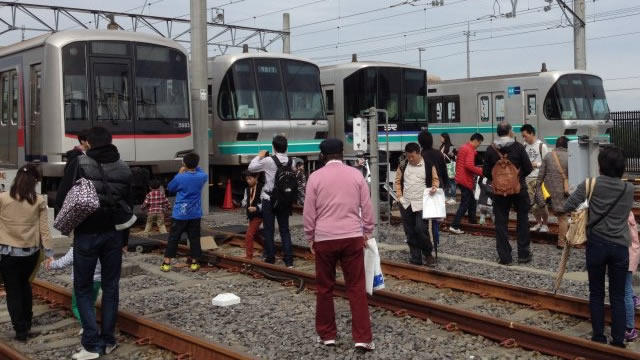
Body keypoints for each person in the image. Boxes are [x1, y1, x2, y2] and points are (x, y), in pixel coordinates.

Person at [56, 126, 133, 359]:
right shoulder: (124, 167)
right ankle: (108, 340)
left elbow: (62, 198)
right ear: (110, 141)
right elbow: (128, 208)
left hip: (87, 234)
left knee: (82, 287)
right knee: (110, 288)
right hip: (113, 234)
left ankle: (91, 343)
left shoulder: (79, 163)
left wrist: (68, 225)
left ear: (88, 143)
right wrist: (124, 240)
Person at [303, 138, 375, 352]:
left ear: (323, 156)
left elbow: (309, 212)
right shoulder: (356, 175)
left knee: (325, 288)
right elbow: (367, 207)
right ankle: (362, 338)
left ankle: (327, 335)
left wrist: (310, 236)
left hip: (324, 238)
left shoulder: (315, 177)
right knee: (356, 287)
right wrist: (367, 231)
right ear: (342, 154)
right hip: (352, 236)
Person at [563, 145, 634, 348]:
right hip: (620, 246)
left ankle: (598, 336)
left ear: (600, 165)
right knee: (618, 295)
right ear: (622, 168)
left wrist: (586, 209)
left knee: (596, 292)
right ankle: (619, 340)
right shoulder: (628, 189)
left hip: (596, 245)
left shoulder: (590, 184)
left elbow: (567, 206)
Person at [0, 164, 53, 342]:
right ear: (34, 181)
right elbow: (44, 229)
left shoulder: (3, 198)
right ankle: (28, 321)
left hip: (7, 254)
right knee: (25, 286)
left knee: (13, 291)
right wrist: (49, 251)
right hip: (30, 253)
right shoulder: (38, 201)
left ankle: (20, 330)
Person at [483, 122, 533, 265]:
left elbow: (486, 172)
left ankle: (505, 256)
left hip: (499, 192)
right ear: (510, 131)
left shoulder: (491, 149)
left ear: (498, 132)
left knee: (501, 222)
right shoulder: (518, 147)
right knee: (522, 220)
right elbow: (528, 168)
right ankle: (523, 254)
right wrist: (517, 176)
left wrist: (499, 180)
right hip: (518, 190)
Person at [248, 135, 295, 267]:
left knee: (269, 229)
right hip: (285, 199)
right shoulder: (292, 161)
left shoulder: (268, 160)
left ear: (273, 147)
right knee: (284, 229)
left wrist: (260, 155)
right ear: (286, 147)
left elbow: (251, 168)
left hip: (269, 199)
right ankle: (289, 260)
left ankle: (270, 258)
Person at [160, 152, 208, 273]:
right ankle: (194, 263)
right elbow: (199, 170)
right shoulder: (202, 176)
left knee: (174, 238)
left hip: (180, 213)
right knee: (194, 238)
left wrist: (180, 172)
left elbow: (170, 188)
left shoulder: (180, 177)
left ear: (184, 164)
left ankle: (166, 263)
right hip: (195, 213)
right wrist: (193, 166)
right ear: (197, 164)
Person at [394, 142, 439, 266]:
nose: (410, 159)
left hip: (422, 203)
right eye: (408, 156)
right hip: (406, 203)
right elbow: (397, 181)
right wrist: (399, 196)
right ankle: (415, 257)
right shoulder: (403, 165)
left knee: (421, 229)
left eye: (412, 156)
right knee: (410, 231)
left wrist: (435, 187)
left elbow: (435, 180)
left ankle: (428, 254)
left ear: (418, 153)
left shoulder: (428, 165)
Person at [46, 247, 101, 335]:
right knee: (90, 304)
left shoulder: (78, 245)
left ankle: (89, 327)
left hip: (81, 280)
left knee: (77, 306)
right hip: (97, 280)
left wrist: (51, 264)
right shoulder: (102, 244)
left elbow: (64, 262)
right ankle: (90, 324)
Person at [536, 136, 569, 248]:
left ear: (556, 145)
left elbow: (540, 176)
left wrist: (538, 190)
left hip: (548, 192)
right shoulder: (570, 157)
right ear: (567, 145)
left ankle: (541, 225)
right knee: (563, 218)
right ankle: (561, 242)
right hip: (564, 191)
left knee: (547, 210)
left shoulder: (548, 156)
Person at [449, 133, 484, 234]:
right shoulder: (469, 150)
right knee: (465, 204)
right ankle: (454, 226)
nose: (479, 145)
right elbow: (469, 165)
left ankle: (472, 221)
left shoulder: (464, 147)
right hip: (465, 180)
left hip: (460, 178)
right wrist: (482, 172)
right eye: (479, 143)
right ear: (476, 140)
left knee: (472, 202)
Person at [419, 131, 448, 250]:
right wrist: (443, 186)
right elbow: (444, 172)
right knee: (435, 218)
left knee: (424, 218)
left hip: (424, 189)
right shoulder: (438, 153)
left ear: (420, 142)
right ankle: (436, 241)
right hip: (438, 187)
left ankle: (427, 243)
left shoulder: (420, 155)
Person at [521, 124, 550, 232]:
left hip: (539, 179)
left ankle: (545, 224)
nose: (524, 138)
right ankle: (538, 222)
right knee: (532, 204)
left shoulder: (542, 146)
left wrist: (536, 164)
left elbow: (547, 163)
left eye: (525, 136)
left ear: (532, 133)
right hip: (527, 178)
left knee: (541, 203)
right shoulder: (524, 146)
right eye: (523, 136)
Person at [241, 170, 264, 259]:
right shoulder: (247, 189)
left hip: (258, 215)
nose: (248, 181)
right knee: (256, 234)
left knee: (249, 235)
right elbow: (244, 200)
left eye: (250, 179)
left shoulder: (262, 188)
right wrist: (243, 203)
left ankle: (249, 256)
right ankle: (268, 248)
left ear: (256, 177)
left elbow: (264, 202)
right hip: (250, 215)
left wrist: (256, 208)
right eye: (247, 179)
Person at [625, 212, 639, 342]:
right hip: (631, 253)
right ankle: (634, 298)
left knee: (625, 291)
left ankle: (630, 328)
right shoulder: (627, 211)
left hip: (625, 256)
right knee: (627, 286)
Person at [439, 133, 457, 205]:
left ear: (445, 138)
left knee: (452, 182)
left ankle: (453, 198)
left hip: (450, 165)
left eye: (441, 137)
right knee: (445, 182)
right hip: (443, 166)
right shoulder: (441, 146)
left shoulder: (451, 146)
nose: (440, 139)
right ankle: (446, 197)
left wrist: (452, 155)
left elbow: (456, 156)